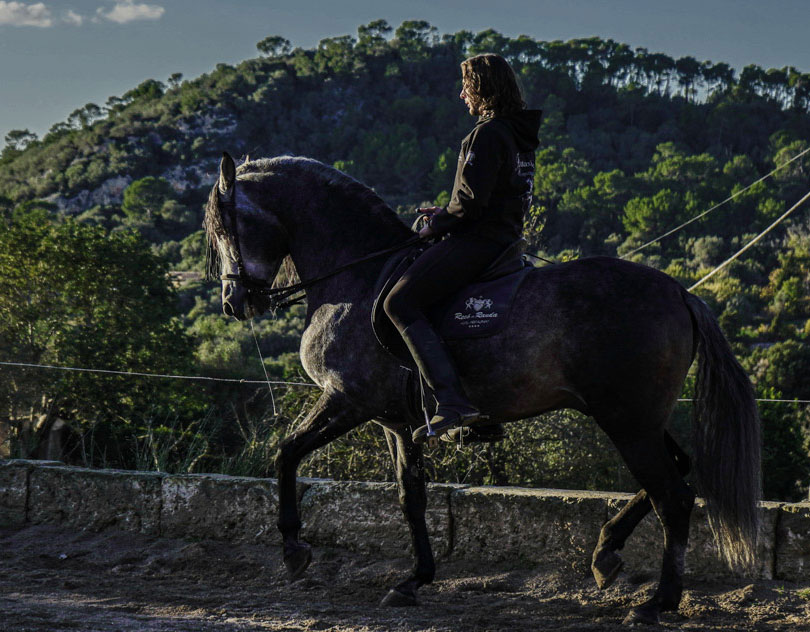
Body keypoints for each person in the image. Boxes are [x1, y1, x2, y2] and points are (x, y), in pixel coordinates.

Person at [383, 53, 542, 445]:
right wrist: (447, 211)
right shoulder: (516, 134)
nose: (461, 95)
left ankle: (452, 403)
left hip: (478, 242)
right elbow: (486, 197)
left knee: (398, 304)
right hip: (504, 239)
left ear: (483, 90)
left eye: (467, 87)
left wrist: (436, 225)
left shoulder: (486, 134)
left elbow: (470, 205)